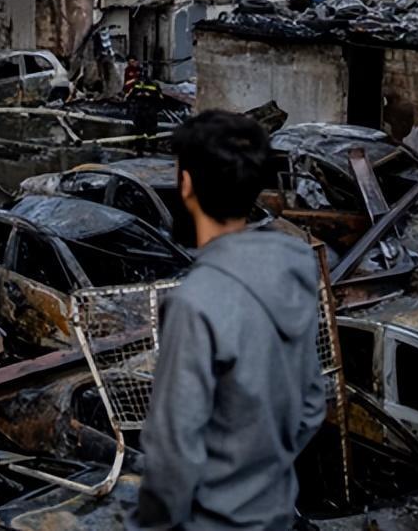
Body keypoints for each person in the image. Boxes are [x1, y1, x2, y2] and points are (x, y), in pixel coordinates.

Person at [135, 111, 325, 531]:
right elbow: (312, 404)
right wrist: (258, 475)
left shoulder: (197, 302)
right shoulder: (293, 269)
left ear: (186, 185)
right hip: (274, 511)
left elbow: (172, 450)